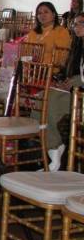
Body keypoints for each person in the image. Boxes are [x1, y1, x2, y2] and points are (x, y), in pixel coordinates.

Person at [44, 12, 84, 171]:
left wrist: (73, 82)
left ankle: (55, 148)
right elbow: (69, 69)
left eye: (81, 23)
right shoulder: (77, 45)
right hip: (74, 89)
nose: (76, 27)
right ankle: (53, 149)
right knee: (41, 101)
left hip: (80, 95)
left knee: (50, 104)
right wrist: (62, 80)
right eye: (74, 24)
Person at [25, 1, 71, 70]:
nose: (42, 15)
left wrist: (39, 62)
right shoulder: (33, 32)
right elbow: (26, 51)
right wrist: (29, 62)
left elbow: (61, 57)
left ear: (53, 14)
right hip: (30, 69)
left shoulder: (61, 32)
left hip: (50, 70)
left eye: (46, 12)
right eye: (39, 13)